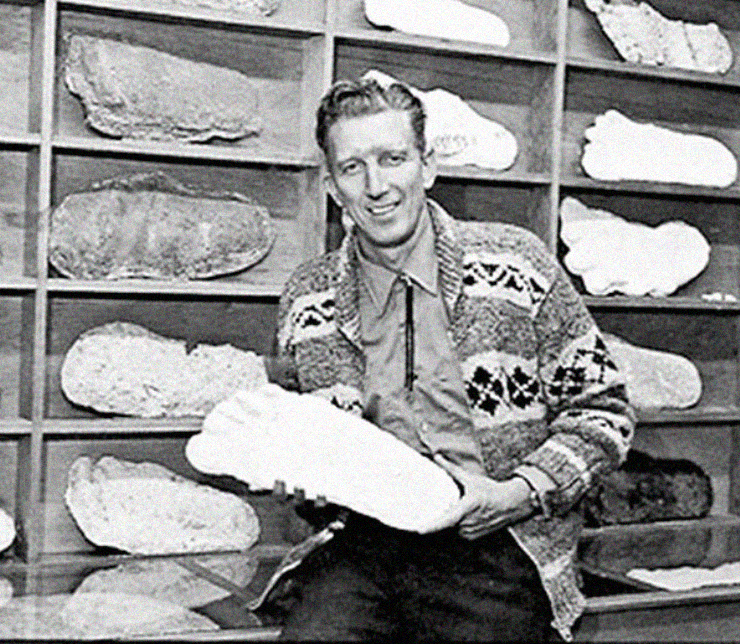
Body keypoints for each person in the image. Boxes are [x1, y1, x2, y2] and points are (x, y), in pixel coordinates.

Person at [262, 76, 636, 641]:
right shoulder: (305, 297)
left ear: (427, 166)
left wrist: (522, 491)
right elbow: (305, 445)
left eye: (393, 159)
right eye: (353, 167)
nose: (376, 186)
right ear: (333, 186)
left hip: (499, 541)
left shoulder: (518, 266)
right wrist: (302, 481)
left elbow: (603, 413)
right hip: (364, 546)